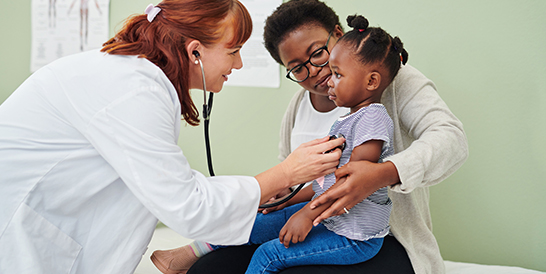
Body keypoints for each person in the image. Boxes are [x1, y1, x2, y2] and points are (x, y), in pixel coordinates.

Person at [0, 1, 345, 273]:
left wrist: (271, 187)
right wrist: (285, 174)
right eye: (233, 50)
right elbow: (187, 204)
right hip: (21, 229)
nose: (238, 64)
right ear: (195, 51)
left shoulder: (141, 82)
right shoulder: (132, 90)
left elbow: (168, 185)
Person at [186, 0, 468, 274]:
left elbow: (451, 139)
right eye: (297, 68)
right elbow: (292, 170)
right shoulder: (298, 105)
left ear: (337, 35)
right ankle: (200, 249)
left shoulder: (391, 82)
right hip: (317, 221)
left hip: (377, 237)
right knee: (208, 269)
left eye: (318, 53)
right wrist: (284, 194)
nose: (315, 72)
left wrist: (383, 173)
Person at [150, 14, 407, 274]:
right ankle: (191, 252)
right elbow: (325, 182)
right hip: (330, 218)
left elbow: (349, 185)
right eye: (296, 68)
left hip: (354, 236)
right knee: (257, 222)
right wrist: (288, 196)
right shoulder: (348, 117)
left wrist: (305, 215)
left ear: (371, 81)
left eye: (337, 73)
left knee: (268, 255)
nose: (327, 77)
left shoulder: (373, 119)